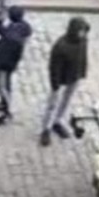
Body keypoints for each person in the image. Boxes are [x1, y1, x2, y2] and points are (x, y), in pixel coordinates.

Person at [40, 17, 89, 147]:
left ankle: (58, 121)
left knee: (66, 101)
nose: (82, 33)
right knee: (52, 104)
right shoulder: (61, 46)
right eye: (80, 31)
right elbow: (54, 67)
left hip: (74, 76)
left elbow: (83, 57)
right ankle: (46, 129)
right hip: (61, 80)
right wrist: (55, 84)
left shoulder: (83, 40)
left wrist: (82, 72)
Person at [0, 5, 32, 126]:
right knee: (7, 84)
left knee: (1, 86)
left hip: (3, 62)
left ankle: (8, 111)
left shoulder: (9, 33)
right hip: (12, 61)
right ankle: (3, 104)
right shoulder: (25, 27)